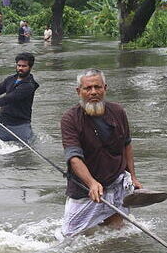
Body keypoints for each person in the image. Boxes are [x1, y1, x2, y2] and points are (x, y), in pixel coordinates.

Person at [60, 68, 143, 237]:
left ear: (105, 88)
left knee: (115, 232)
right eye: (87, 88)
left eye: (97, 87)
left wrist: (133, 177)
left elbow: (127, 145)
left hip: (116, 180)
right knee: (69, 237)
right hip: (85, 188)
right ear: (79, 91)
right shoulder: (70, 118)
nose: (93, 92)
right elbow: (74, 157)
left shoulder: (118, 112)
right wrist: (91, 183)